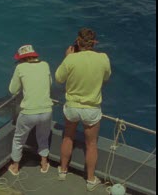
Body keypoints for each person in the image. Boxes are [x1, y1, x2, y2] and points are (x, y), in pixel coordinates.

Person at [55, 28, 111, 191]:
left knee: (68, 137)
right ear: (94, 43)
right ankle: (91, 179)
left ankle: (63, 171)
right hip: (92, 109)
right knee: (91, 144)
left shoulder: (71, 59)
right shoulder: (103, 58)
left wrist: (67, 57)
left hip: (72, 107)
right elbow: (106, 78)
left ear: (77, 42)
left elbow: (59, 78)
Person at [7, 44, 54, 176]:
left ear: (22, 58)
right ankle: (44, 164)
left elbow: (12, 90)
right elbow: (49, 84)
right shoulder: (45, 64)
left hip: (29, 112)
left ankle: (15, 167)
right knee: (43, 136)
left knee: (18, 139)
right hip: (46, 110)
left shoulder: (20, 67)